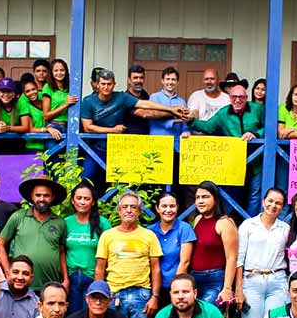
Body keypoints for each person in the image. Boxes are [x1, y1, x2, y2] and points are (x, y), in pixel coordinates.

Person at [80, 69, 187, 184]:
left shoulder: (121, 97)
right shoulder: (88, 101)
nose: (106, 87)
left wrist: (170, 109)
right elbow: (88, 127)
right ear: (97, 85)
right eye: (103, 84)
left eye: (109, 84)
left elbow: (145, 104)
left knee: (121, 182)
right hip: (95, 149)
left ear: (114, 84)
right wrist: (113, 130)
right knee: (86, 178)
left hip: (118, 149)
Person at [185, 83, 266, 215]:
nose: (237, 100)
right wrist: (191, 121)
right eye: (234, 97)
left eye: (241, 97)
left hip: (256, 160)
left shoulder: (258, 109)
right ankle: (226, 222)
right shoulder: (223, 113)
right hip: (233, 162)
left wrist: (256, 134)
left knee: (254, 196)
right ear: (229, 98)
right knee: (231, 196)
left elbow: (269, 127)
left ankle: (251, 224)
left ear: (246, 98)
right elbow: (208, 126)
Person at [235, 188, 290, 318]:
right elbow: (240, 259)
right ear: (263, 201)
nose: (273, 205)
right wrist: (239, 289)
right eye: (270, 201)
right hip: (252, 280)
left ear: (282, 207)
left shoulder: (285, 229)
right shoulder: (248, 225)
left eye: (278, 203)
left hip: (277, 280)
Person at [0, 175, 67, 290]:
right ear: (32, 196)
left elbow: (62, 253)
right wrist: (8, 271)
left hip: (50, 285)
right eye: (38, 195)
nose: (42, 199)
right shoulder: (18, 217)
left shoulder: (60, 222)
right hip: (21, 284)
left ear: (52, 197)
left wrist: (66, 279)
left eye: (46, 195)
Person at [64, 181, 112, 315]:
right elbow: (61, 251)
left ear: (93, 202)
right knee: (71, 317)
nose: (82, 202)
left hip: (92, 277)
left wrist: (99, 281)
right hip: (71, 277)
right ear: (73, 201)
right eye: (79, 198)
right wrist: (64, 278)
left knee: (90, 317)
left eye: (87, 198)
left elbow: (110, 251)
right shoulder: (66, 222)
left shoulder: (103, 223)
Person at [190, 182, 238, 305]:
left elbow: (232, 258)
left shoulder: (225, 222)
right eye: (197, 197)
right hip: (194, 278)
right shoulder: (197, 219)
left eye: (205, 197)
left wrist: (227, 288)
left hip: (215, 279)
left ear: (215, 199)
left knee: (206, 315)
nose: (200, 201)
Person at [148, 191, 195, 298]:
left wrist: (175, 286)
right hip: (152, 287)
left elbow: (185, 262)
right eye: (164, 206)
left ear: (177, 207)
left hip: (176, 287)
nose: (168, 210)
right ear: (157, 208)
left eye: (172, 206)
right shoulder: (150, 231)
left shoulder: (184, 229)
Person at [15, 76, 62, 152]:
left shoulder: (44, 97)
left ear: (37, 89)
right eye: (28, 91)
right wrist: (47, 129)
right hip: (33, 146)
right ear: (24, 94)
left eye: (33, 89)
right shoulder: (25, 105)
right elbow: (30, 129)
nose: (32, 93)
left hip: (50, 142)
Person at [149, 67, 189, 137]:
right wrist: (173, 122)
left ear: (177, 82)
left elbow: (185, 123)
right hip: (158, 141)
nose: (170, 82)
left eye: (173, 79)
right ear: (162, 81)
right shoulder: (154, 97)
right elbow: (153, 118)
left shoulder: (182, 102)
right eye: (167, 79)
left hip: (176, 143)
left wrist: (186, 131)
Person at [41, 58, 78, 130]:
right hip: (54, 126)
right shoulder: (48, 87)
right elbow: (46, 116)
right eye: (56, 70)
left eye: (62, 70)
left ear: (66, 71)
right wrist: (65, 104)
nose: (59, 73)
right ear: (51, 72)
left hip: (70, 127)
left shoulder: (71, 87)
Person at [122, 64, 153, 135]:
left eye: (141, 78)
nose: (138, 81)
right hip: (130, 139)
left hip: (146, 137)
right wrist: (172, 112)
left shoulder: (145, 94)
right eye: (135, 78)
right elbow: (144, 113)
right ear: (129, 80)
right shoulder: (125, 98)